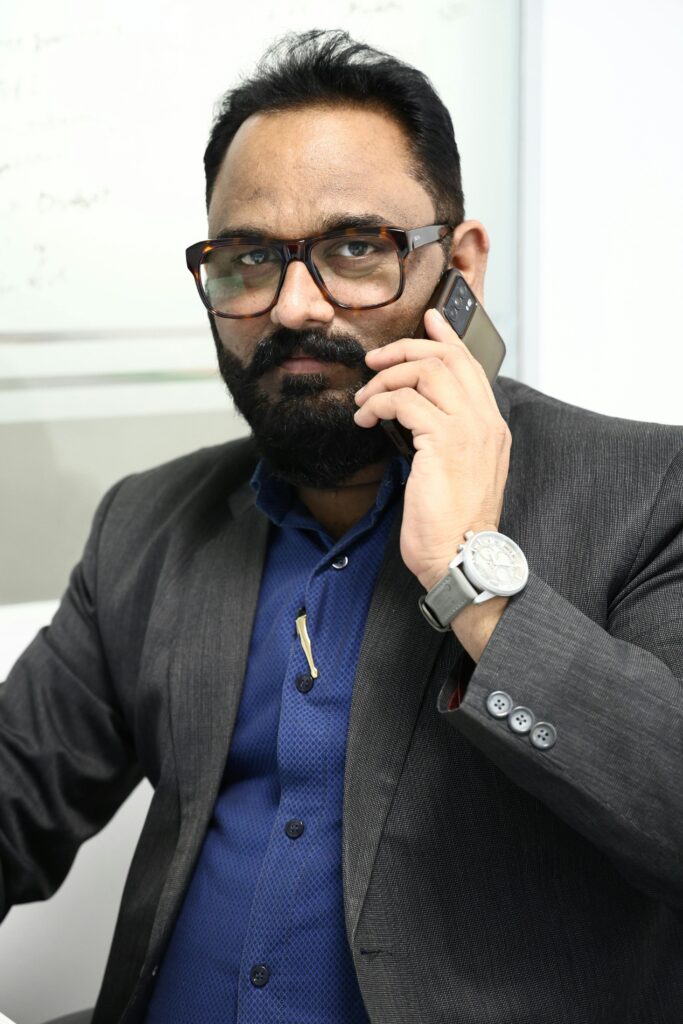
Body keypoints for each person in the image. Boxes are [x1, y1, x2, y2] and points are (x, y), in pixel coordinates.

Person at [2, 28, 682, 1024]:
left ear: (460, 267)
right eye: (245, 260)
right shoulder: (150, 522)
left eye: (354, 248)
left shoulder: (644, 490)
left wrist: (474, 585)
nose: (293, 305)